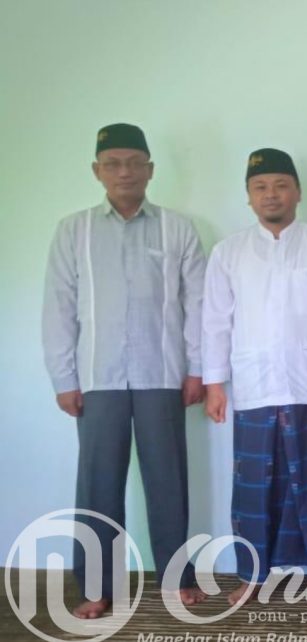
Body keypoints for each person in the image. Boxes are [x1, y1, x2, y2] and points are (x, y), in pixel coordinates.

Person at [42, 123, 207, 618]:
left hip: (163, 375)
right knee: (98, 486)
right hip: (98, 378)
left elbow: (198, 305)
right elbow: (58, 308)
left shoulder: (177, 228)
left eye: (134, 163)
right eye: (113, 164)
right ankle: (97, 587)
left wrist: (197, 368)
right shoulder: (74, 230)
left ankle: (176, 579)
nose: (124, 172)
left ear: (150, 169)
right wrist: (64, 379)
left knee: (168, 481)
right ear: (97, 171)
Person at [202, 148, 307, 606]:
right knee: (254, 486)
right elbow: (215, 321)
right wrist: (214, 383)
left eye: (281, 185)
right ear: (248, 196)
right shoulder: (228, 252)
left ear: (298, 192)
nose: (271, 194)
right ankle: (252, 574)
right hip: (254, 385)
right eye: (261, 187)